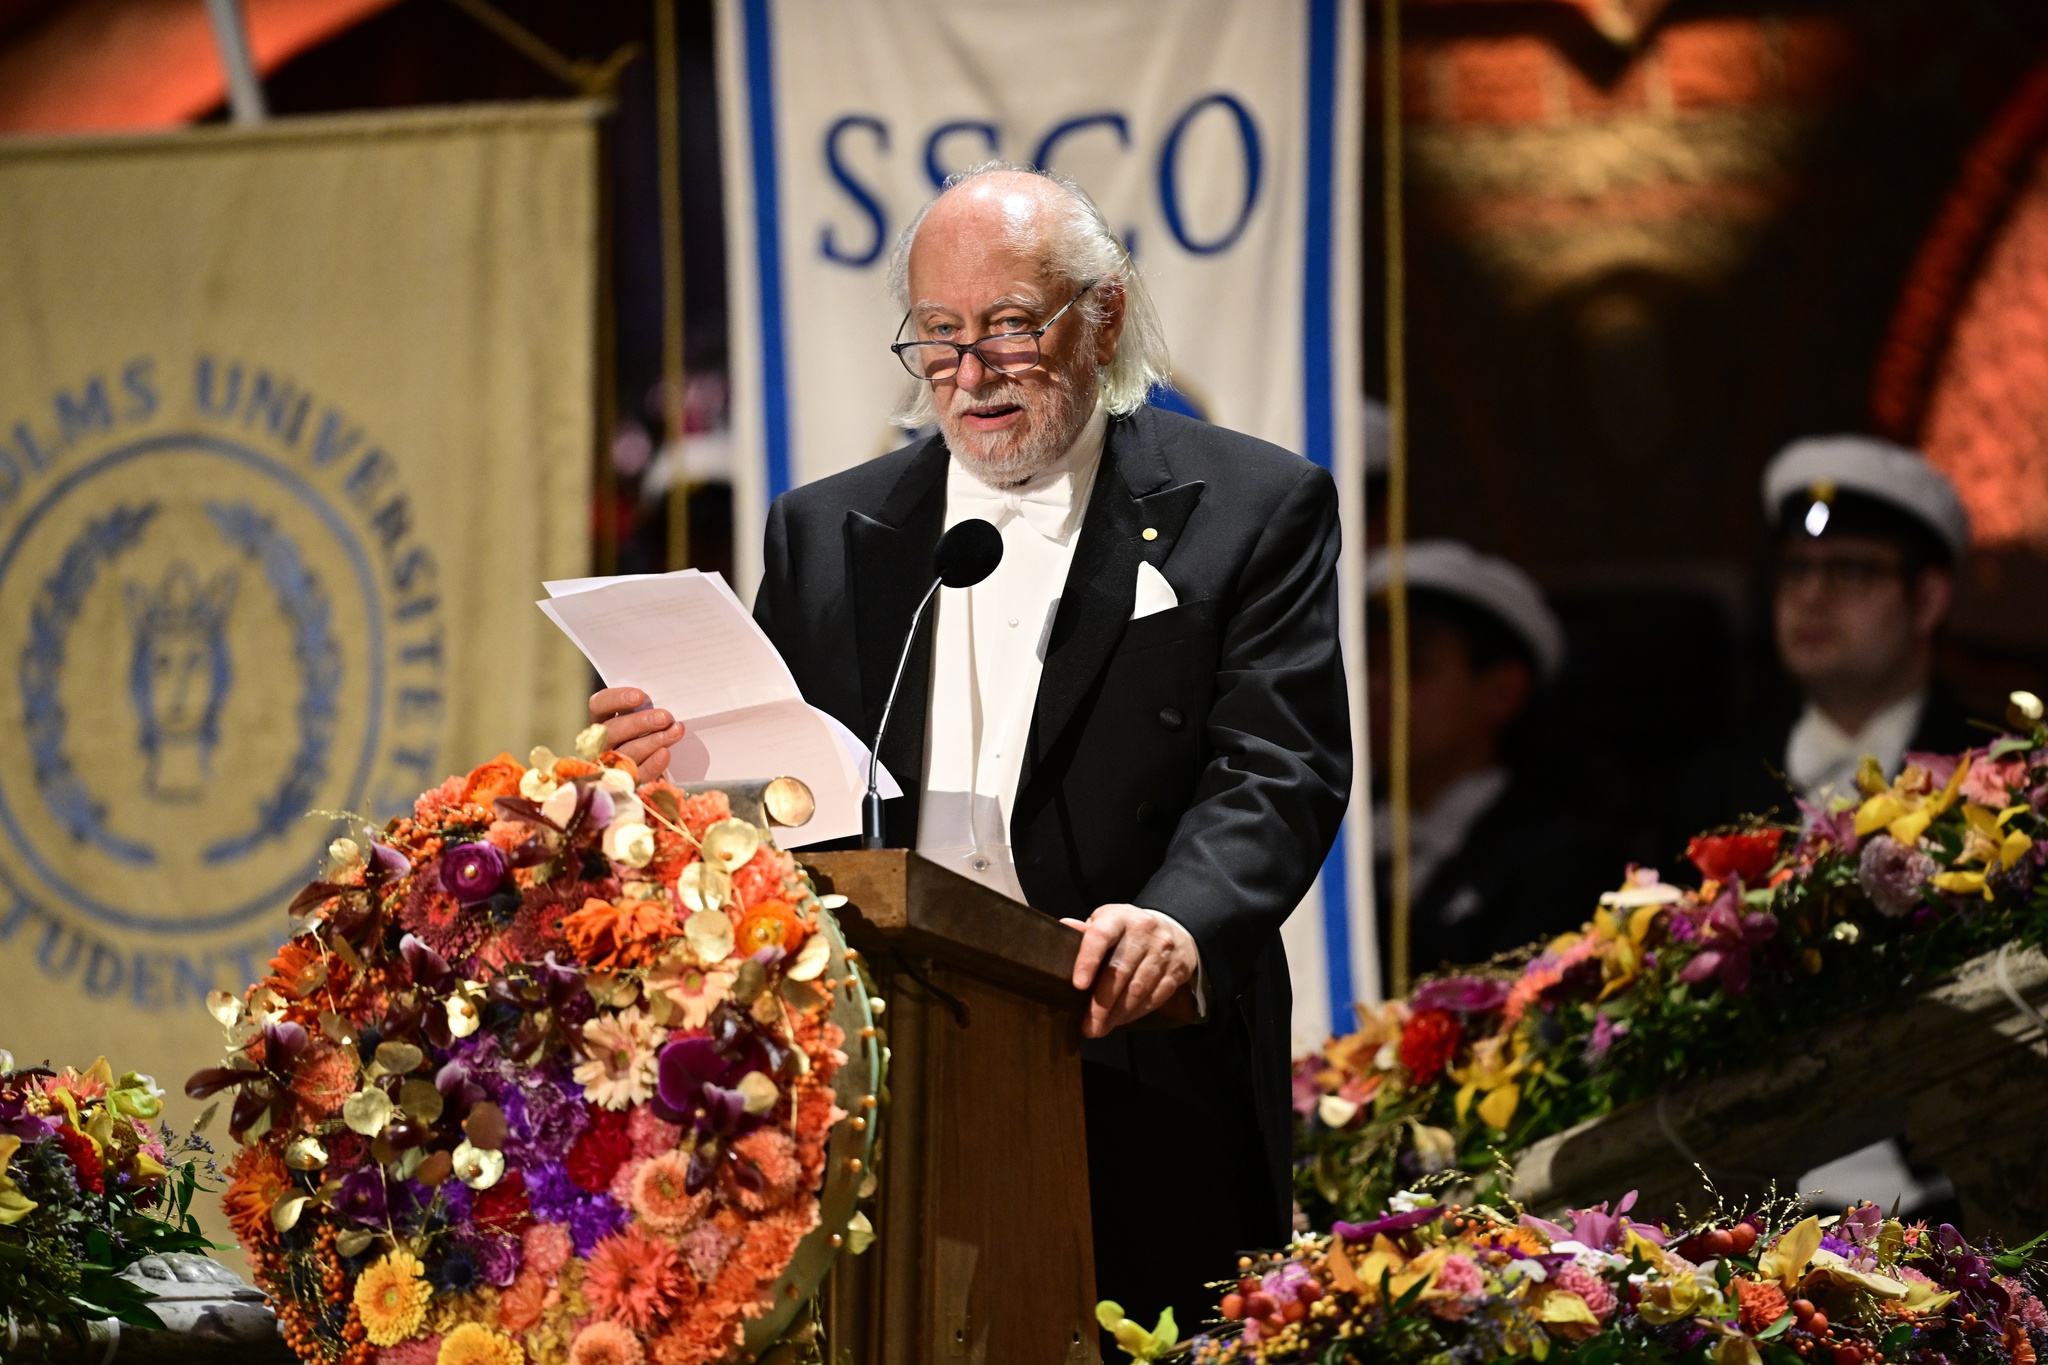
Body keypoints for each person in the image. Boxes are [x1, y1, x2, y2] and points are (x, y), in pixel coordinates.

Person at [591, 163, 1351, 1335]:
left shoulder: (1251, 505)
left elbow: (1278, 763)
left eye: (1006, 327)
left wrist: (1184, 921)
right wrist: (680, 774)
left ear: (1099, 319)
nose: (969, 371)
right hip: (882, 1073)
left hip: (1131, 1058)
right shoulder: (827, 531)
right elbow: (795, 791)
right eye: (938, 335)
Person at [1674, 435, 1980, 840]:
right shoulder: (1715, 787)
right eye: (1797, 569)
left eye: (1850, 570)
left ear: (1927, 600)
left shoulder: (1992, 779)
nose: (1812, 596)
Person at [1367, 540, 1608, 987]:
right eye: (1369, 665)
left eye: (1412, 665)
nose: (1376, 689)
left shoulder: (1556, 858)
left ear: (1502, 693)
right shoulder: (1340, 840)